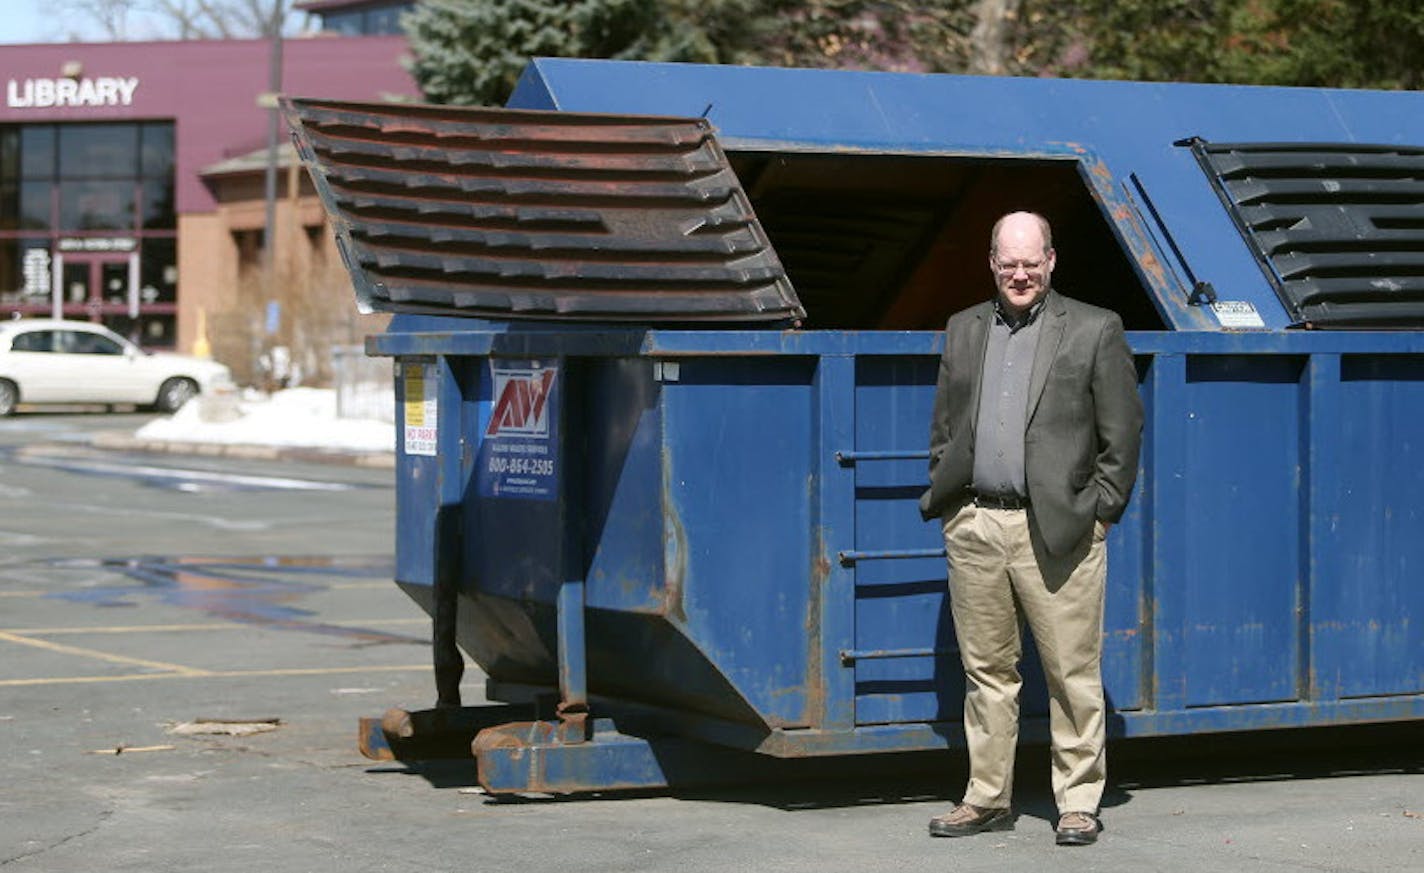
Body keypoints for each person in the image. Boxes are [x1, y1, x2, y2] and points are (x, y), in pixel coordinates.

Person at [918, 211, 1143, 847]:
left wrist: (1100, 512)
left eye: (1031, 262)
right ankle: (987, 798)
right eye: (1007, 262)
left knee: (1073, 671)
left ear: (1051, 260)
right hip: (976, 524)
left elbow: (1122, 433)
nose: (1020, 274)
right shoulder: (964, 328)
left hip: (1060, 529)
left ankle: (1077, 802)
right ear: (991, 262)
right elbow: (946, 422)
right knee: (986, 671)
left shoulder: (1096, 328)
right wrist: (951, 497)